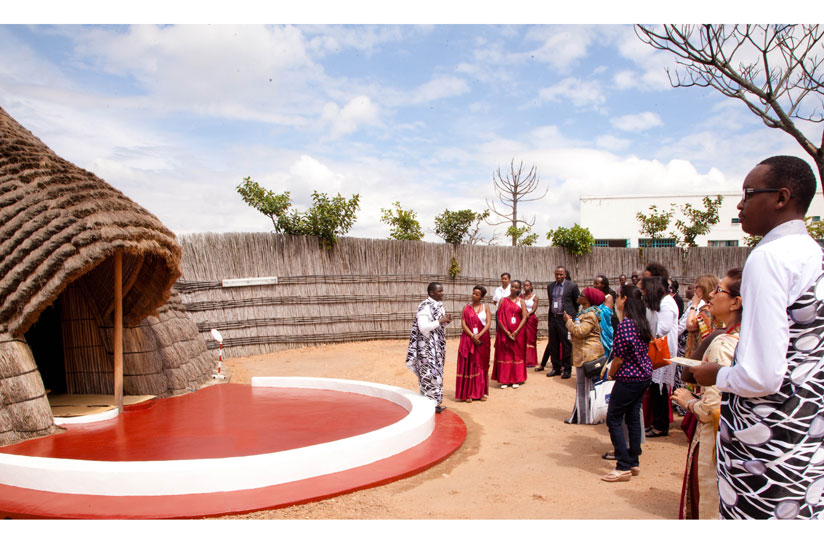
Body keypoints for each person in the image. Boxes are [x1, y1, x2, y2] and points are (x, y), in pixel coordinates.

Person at [691, 155, 824, 519]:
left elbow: (762, 375)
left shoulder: (769, 258)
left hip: (766, 446)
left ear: (781, 198)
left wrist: (714, 375)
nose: (740, 204)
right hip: (805, 434)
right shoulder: (814, 254)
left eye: (748, 193)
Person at [672, 267, 743, 519]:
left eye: (718, 290)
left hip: (717, 441)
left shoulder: (723, 344)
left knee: (711, 503)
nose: (711, 295)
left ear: (736, 302)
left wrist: (690, 402)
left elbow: (712, 408)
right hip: (740, 442)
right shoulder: (746, 339)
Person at [601, 285, 653, 482]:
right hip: (643, 375)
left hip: (629, 377)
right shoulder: (642, 323)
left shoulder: (626, 325)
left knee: (613, 418)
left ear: (624, 300)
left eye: (619, 297)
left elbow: (619, 357)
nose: (617, 301)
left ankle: (623, 465)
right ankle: (633, 461)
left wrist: (610, 374)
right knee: (632, 417)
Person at [406, 282, 453, 413]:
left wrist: (445, 322)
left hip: (437, 346)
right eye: (440, 291)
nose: (442, 293)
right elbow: (423, 327)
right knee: (428, 374)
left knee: (437, 373)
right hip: (426, 348)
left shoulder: (439, 306)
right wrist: (440, 321)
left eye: (442, 290)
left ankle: (434, 403)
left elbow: (437, 325)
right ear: (432, 293)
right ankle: (429, 406)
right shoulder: (425, 307)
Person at [642, 275, 679, 437]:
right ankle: (656, 422)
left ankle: (661, 426)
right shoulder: (661, 302)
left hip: (663, 351)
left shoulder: (667, 303)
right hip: (657, 350)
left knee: (661, 390)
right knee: (656, 388)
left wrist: (643, 333)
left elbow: (663, 328)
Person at [565, 287, 606, 424]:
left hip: (587, 354)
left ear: (587, 300)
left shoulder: (590, 315)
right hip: (584, 353)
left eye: (581, 295)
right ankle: (584, 414)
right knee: (584, 385)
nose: (578, 296)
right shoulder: (585, 312)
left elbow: (580, 332)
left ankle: (587, 417)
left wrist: (568, 321)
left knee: (586, 386)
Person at [539, 265, 580, 379]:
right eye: (557, 274)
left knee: (566, 344)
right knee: (553, 344)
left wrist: (571, 315)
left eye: (561, 274)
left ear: (565, 275)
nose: (558, 276)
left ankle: (566, 369)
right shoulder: (550, 286)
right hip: (553, 318)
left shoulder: (572, 286)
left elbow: (576, 302)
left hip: (565, 319)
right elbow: (551, 301)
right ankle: (556, 368)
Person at [456, 285, 492, 403]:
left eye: (476, 294)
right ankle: (469, 393)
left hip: (482, 340)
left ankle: (481, 392)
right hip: (468, 339)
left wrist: (479, 335)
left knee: (481, 365)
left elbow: (488, 323)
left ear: (481, 297)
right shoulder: (466, 308)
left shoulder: (485, 307)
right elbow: (463, 324)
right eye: (473, 293)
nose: (473, 295)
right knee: (470, 365)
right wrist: (472, 336)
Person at [492, 279, 528, 389]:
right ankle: (505, 380)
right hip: (504, 333)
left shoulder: (521, 301)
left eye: (516, 287)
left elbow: (524, 317)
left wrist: (516, 331)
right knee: (505, 354)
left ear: (519, 289)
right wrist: (507, 332)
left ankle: (516, 379)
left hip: (518, 333)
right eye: (512, 286)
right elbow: (499, 317)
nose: (513, 289)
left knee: (516, 354)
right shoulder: (503, 300)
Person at [683, 274, 719, 359]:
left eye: (697, 286)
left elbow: (690, 325)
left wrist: (694, 305)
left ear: (704, 288)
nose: (695, 290)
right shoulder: (712, 307)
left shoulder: (707, 310)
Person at [521, 280, 540, 369]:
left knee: (531, 339)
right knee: (523, 338)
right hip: (522, 319)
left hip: (531, 319)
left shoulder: (534, 297)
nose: (526, 287)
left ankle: (531, 360)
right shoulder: (521, 297)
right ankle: (523, 358)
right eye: (524, 285)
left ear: (531, 286)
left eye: (527, 285)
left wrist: (528, 314)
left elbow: (534, 308)